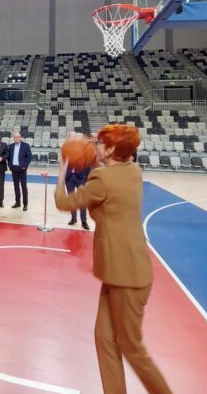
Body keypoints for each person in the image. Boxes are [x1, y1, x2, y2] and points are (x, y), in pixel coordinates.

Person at [54, 124, 172, 394]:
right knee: (104, 338)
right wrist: (94, 145)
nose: (94, 146)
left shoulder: (102, 181)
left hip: (127, 275)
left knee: (132, 347)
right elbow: (108, 167)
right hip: (120, 269)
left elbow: (64, 202)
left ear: (109, 150)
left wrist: (63, 169)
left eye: (99, 143)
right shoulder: (133, 170)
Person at [7, 132, 32, 211]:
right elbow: (8, 157)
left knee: (24, 187)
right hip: (14, 169)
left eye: (18, 137)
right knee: (16, 186)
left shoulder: (26, 145)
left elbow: (29, 157)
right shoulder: (11, 146)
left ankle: (25, 204)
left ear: (20, 137)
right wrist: (10, 166)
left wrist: (25, 166)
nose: (17, 138)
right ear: (13, 138)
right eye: (15, 137)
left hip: (22, 169)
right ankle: (17, 203)